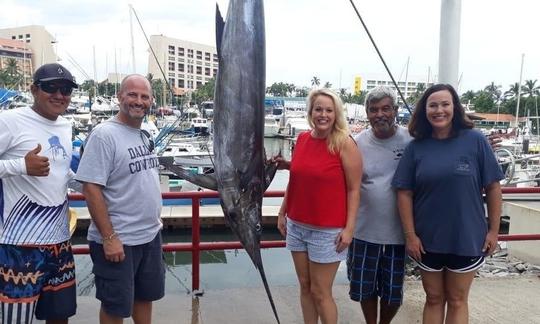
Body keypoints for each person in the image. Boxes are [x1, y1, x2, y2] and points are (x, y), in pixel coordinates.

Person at [392, 83, 504, 324]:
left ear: (455, 108)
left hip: (466, 236)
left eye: (445, 104)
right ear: (425, 110)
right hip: (426, 239)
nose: (439, 110)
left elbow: (494, 188)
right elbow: (403, 192)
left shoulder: (475, 141)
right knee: (433, 298)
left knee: (457, 299)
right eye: (433, 105)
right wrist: (410, 235)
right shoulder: (416, 147)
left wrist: (493, 231)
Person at [75, 74, 164, 324]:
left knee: (145, 297)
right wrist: (109, 238)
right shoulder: (104, 135)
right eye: (132, 94)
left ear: (151, 101)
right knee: (115, 307)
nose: (138, 101)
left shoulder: (144, 133)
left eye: (144, 96)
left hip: (149, 235)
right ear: (119, 97)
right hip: (119, 240)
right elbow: (91, 188)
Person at [0, 63, 79, 323]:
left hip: (59, 243)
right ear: (34, 90)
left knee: (60, 316)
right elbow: (26, 167)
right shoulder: (9, 121)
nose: (59, 95)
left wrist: (88, 187)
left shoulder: (66, 126)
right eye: (50, 87)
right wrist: (21, 166)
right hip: (17, 246)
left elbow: (61, 172)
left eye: (65, 89)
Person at [277, 88, 362, 324]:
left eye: (328, 110)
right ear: (310, 112)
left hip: (327, 231)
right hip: (296, 225)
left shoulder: (344, 144)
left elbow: (355, 189)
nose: (323, 114)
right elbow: (296, 179)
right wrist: (283, 211)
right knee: (304, 286)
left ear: (336, 114)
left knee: (321, 292)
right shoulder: (302, 139)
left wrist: (350, 229)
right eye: (318, 109)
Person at [346, 86, 411, 324]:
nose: (380, 114)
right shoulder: (357, 142)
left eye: (386, 108)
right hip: (363, 232)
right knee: (365, 289)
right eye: (374, 110)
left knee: (393, 294)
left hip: (399, 235)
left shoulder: (411, 140)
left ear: (395, 110)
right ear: (367, 113)